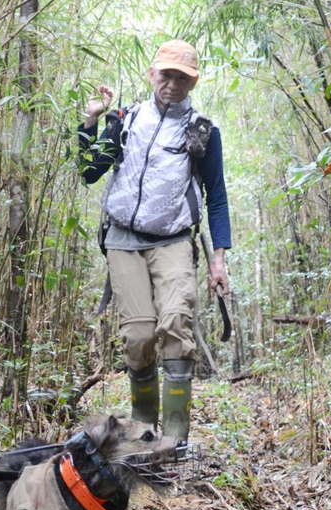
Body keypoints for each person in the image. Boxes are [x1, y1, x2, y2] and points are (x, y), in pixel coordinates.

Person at [78, 39, 231, 440]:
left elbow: (216, 196)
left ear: (192, 83)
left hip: (174, 240)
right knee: (139, 335)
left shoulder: (202, 131)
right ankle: (144, 426)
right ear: (152, 74)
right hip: (123, 239)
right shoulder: (126, 119)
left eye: (183, 78)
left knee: (176, 325)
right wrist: (92, 122)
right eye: (167, 75)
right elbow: (90, 171)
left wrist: (218, 259)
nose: (173, 84)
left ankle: (175, 436)